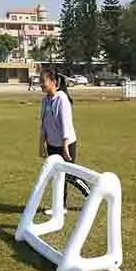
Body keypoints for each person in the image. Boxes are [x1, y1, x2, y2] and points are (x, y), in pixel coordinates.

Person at [38, 67, 90, 206]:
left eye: (43, 81)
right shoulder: (45, 100)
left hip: (66, 145)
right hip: (52, 145)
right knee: (57, 176)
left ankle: (90, 196)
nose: (41, 84)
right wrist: (41, 145)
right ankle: (60, 207)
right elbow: (43, 124)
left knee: (69, 175)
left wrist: (65, 146)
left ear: (53, 81)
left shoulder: (62, 99)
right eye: (40, 81)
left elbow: (65, 124)